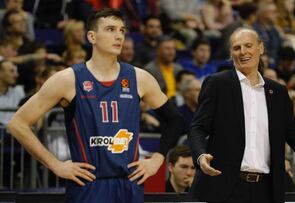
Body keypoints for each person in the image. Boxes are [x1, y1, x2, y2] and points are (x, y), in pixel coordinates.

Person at [8, 8, 184, 203]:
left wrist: (157, 161)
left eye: (122, 30)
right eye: (110, 29)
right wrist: (56, 165)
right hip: (89, 185)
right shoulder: (68, 79)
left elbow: (175, 120)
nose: (118, 36)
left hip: (129, 185)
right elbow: (18, 124)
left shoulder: (139, 78)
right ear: (92, 36)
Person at [188, 28, 295, 203]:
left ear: (261, 48)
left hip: (266, 190)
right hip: (226, 188)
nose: (243, 52)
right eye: (236, 48)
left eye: (248, 45)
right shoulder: (217, 83)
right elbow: (197, 127)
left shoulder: (278, 92)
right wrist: (200, 155)